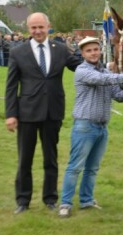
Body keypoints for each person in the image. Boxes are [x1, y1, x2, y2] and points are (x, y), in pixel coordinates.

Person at [5, 12, 83, 214]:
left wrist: (101, 64)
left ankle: (50, 198)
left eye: (41, 26)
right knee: (25, 159)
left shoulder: (61, 49)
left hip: (52, 112)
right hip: (27, 114)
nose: (38, 31)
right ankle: (23, 200)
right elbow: (11, 86)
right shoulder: (18, 52)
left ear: (49, 26)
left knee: (51, 158)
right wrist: (11, 114)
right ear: (28, 29)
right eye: (33, 27)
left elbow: (80, 67)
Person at [57, 37, 123, 218]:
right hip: (84, 127)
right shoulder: (82, 70)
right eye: (89, 51)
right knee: (75, 167)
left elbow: (118, 96)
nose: (94, 53)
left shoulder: (104, 71)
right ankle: (65, 203)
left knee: (92, 168)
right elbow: (102, 79)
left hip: (102, 128)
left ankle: (87, 200)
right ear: (82, 54)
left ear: (100, 51)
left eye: (96, 49)